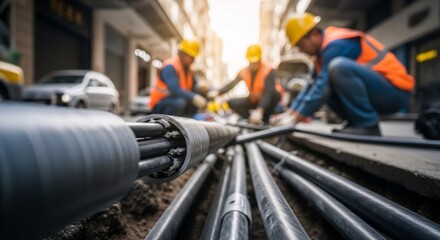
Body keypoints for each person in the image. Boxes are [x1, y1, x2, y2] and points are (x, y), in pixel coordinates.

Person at [274, 13, 415, 136]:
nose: (301, 50)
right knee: (325, 81)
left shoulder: (337, 44)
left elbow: (322, 87)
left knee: (337, 68)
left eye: (301, 45)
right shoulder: (320, 56)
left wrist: (296, 118)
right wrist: (289, 114)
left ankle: (367, 125)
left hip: (396, 93)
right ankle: (356, 123)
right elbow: (310, 86)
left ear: (314, 35)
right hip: (381, 92)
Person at [208, 44, 283, 124]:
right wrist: (218, 92)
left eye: (255, 62)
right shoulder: (244, 71)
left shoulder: (268, 70)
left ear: (260, 59)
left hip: (267, 103)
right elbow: (232, 84)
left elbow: (269, 92)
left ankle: (265, 118)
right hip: (253, 101)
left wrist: (260, 110)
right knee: (231, 102)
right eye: (251, 62)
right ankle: (250, 119)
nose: (253, 64)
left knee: (275, 94)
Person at [149, 39, 207, 117]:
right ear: (182, 53)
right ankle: (167, 124)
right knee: (180, 102)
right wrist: (193, 97)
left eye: (194, 57)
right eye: (191, 56)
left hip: (176, 101)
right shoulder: (170, 66)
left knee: (194, 103)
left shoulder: (189, 69)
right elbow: (174, 89)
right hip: (160, 103)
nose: (193, 60)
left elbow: (194, 87)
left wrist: (203, 90)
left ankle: (186, 123)